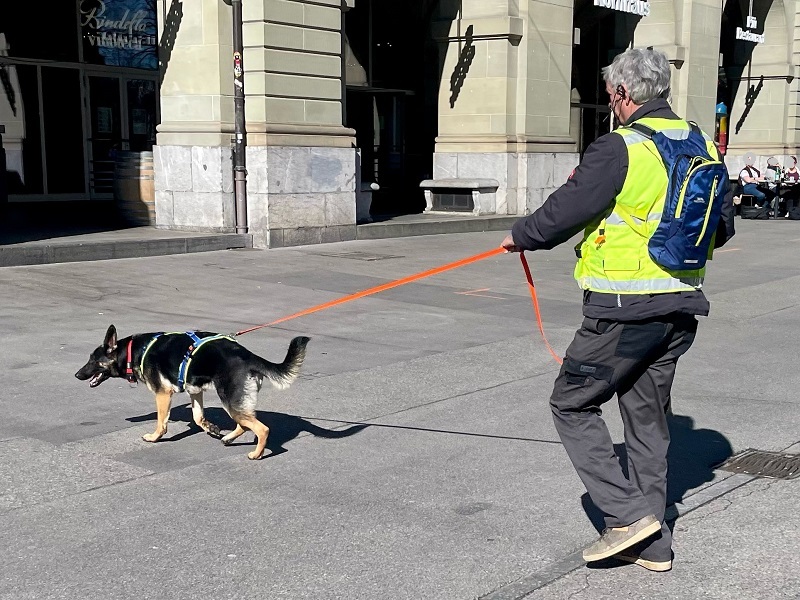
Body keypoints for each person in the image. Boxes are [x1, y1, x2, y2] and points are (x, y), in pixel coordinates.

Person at [501, 48, 734, 573]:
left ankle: (628, 517)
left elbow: (568, 207)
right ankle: (654, 545)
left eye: (611, 96)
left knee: (571, 404)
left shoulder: (621, 147)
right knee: (647, 423)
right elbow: (723, 226)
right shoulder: (701, 144)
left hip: (625, 311)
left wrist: (522, 236)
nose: (611, 105)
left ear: (624, 95)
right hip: (680, 310)